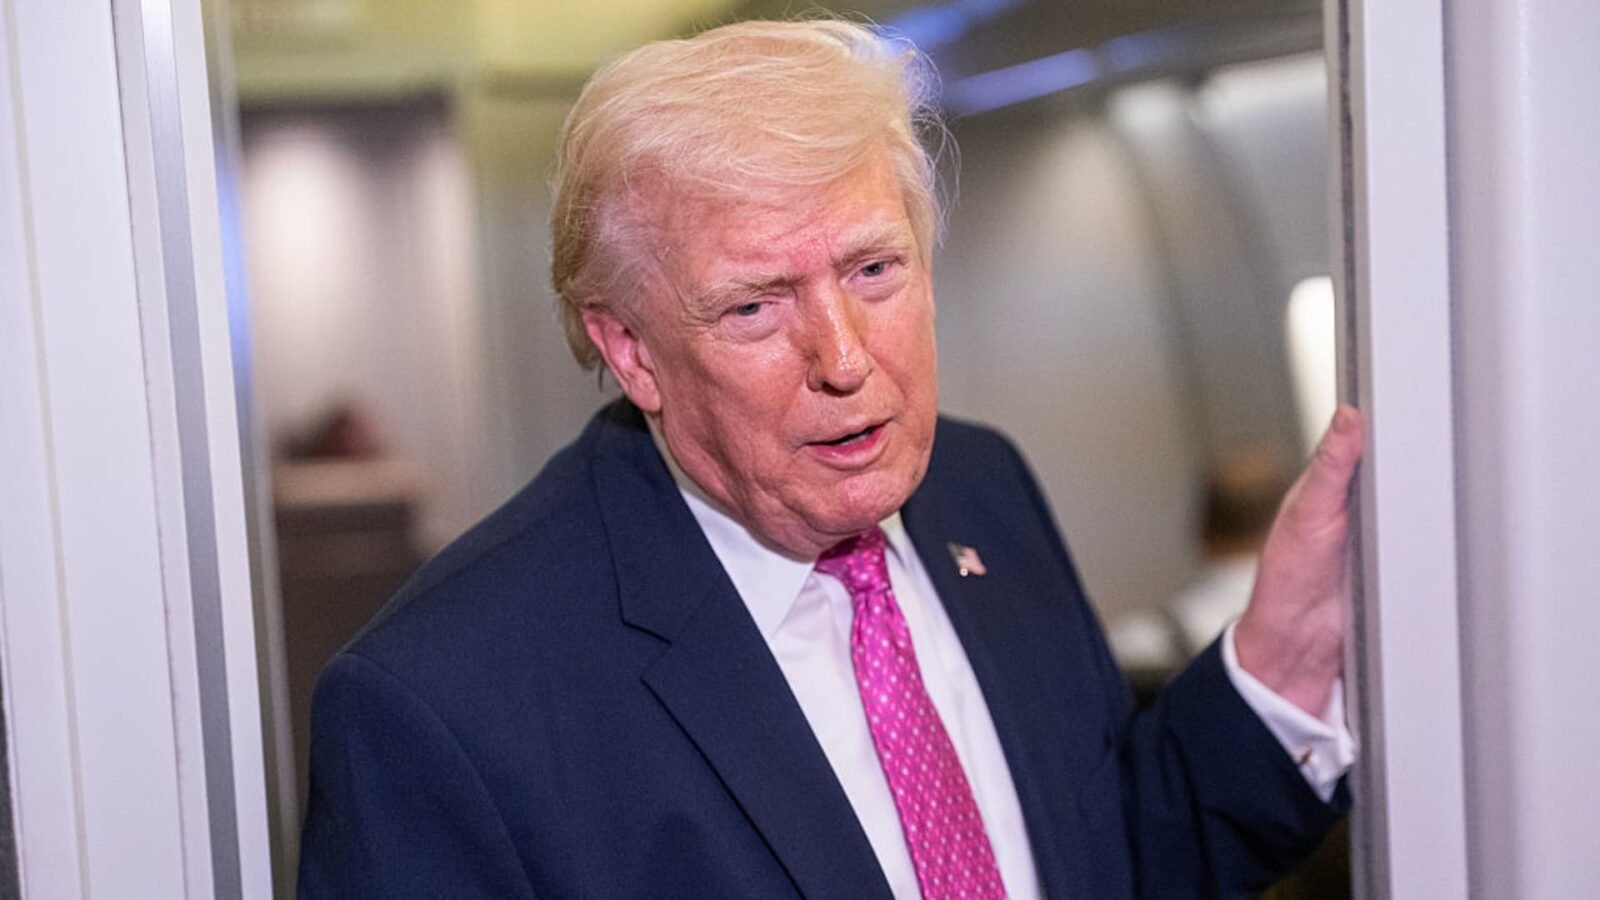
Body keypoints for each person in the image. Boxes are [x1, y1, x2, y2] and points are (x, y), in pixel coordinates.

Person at [297, 19, 1363, 899]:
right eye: (755, 307)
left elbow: (1100, 862)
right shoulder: (438, 708)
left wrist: (1274, 670)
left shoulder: (980, 487)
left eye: (872, 268)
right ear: (630, 350)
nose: (846, 359)